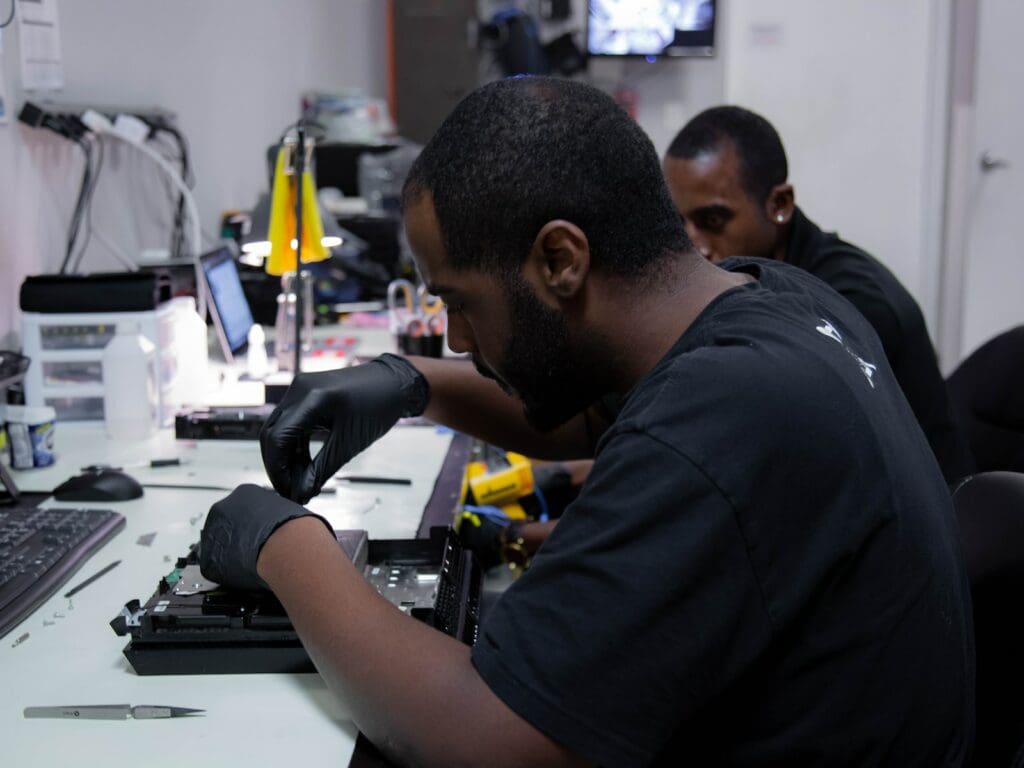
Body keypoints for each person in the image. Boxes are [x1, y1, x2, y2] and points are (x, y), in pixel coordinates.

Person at [199, 78, 974, 766]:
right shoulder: (775, 300)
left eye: (461, 302)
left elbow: (487, 738)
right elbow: (589, 416)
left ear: (561, 259)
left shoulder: (718, 423)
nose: (458, 339)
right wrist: (407, 383)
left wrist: (285, 544)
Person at [662, 105, 974, 484]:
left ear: (779, 205)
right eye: (680, 223)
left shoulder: (853, 306)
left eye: (712, 221)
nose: (694, 247)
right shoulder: (746, 284)